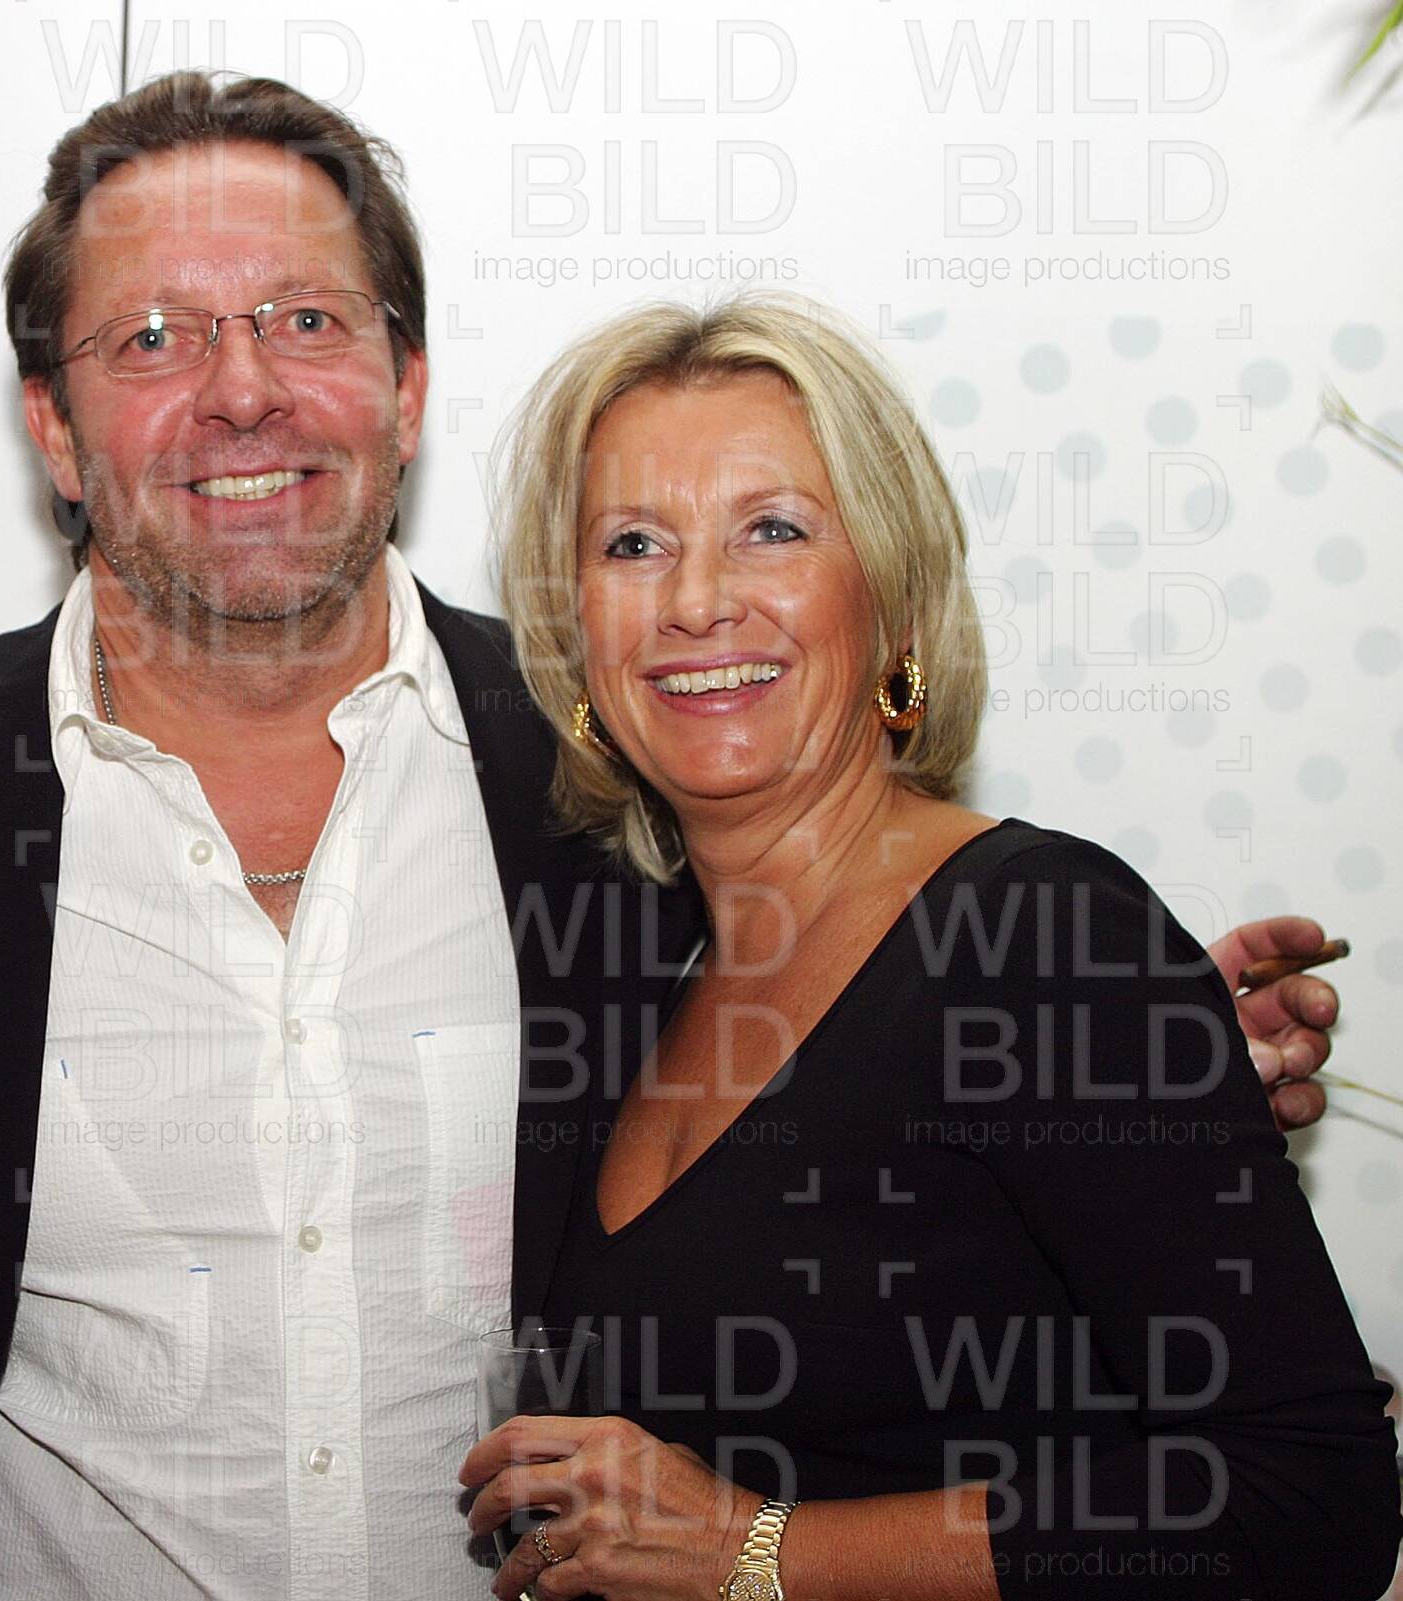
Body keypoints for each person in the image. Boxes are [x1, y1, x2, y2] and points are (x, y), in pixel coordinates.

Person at [0, 73, 1351, 1601]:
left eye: (306, 319)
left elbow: (879, 1062)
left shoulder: (615, 783)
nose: (244, 388)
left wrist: (1123, 1070)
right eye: (153, 337)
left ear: (407, 388)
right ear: (55, 428)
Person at [462, 294, 1398, 1601]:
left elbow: (1309, 1498)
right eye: (633, 544)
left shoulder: (1043, 937)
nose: (696, 600)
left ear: (895, 600)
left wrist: (755, 1550)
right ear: (575, 639)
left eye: (773, 529)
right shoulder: (644, 975)